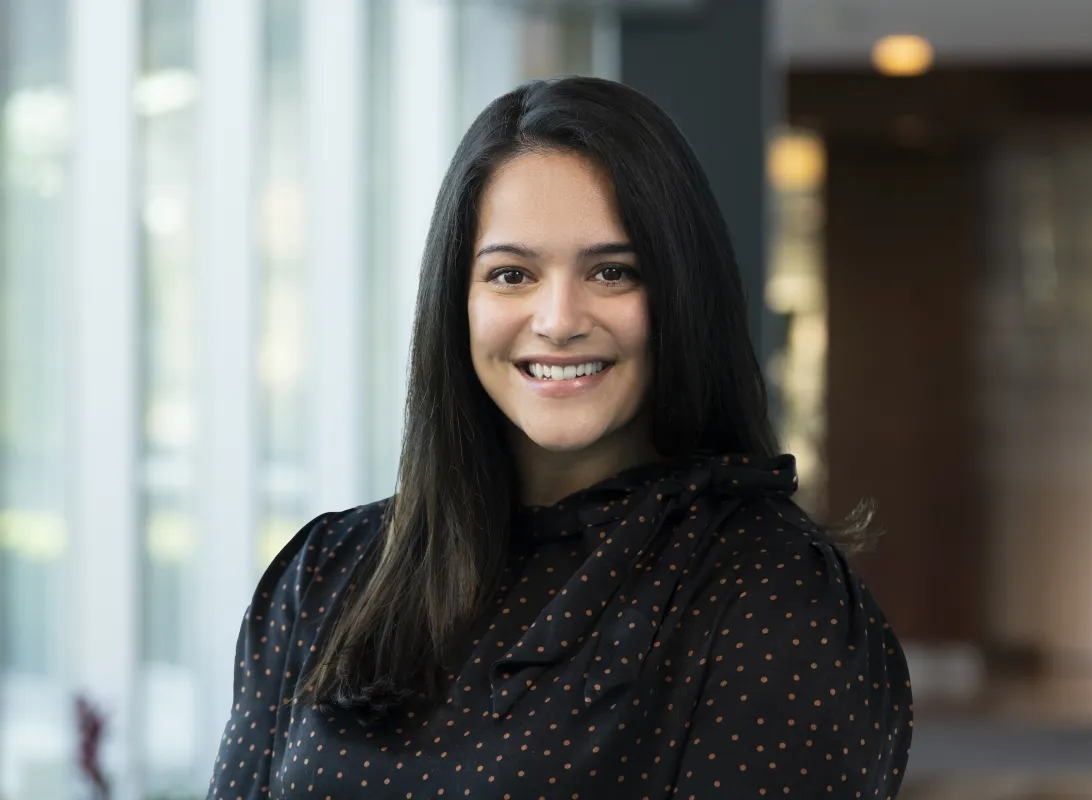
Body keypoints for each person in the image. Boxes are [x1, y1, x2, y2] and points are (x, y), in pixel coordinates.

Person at [207, 76, 912, 800]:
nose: (558, 318)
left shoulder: (769, 595)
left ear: (681, 292)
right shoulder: (327, 575)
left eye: (612, 272)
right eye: (512, 274)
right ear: (459, 303)